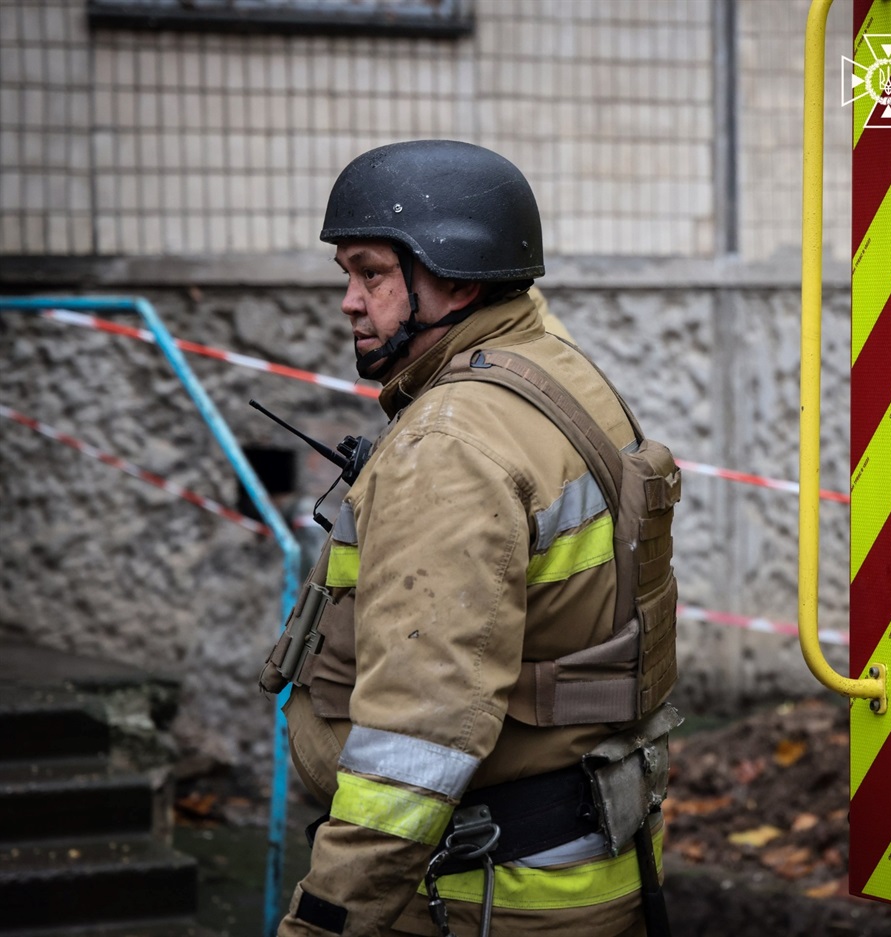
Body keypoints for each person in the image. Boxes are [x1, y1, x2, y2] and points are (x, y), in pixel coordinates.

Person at [259, 140, 681, 937]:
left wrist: (320, 923)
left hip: (482, 889)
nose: (349, 300)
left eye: (372, 273)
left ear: (454, 276)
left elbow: (414, 745)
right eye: (348, 275)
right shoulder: (557, 372)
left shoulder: (449, 446)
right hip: (585, 859)